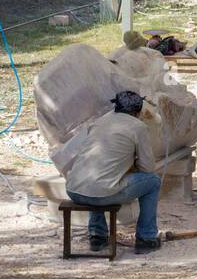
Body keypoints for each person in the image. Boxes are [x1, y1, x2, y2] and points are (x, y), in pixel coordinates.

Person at [64, 90, 163, 254]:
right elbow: (148, 168)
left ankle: (97, 235)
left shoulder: (100, 122)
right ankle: (146, 238)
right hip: (102, 194)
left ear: (117, 107)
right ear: (137, 112)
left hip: (73, 189)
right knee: (153, 181)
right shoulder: (138, 127)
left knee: (97, 180)